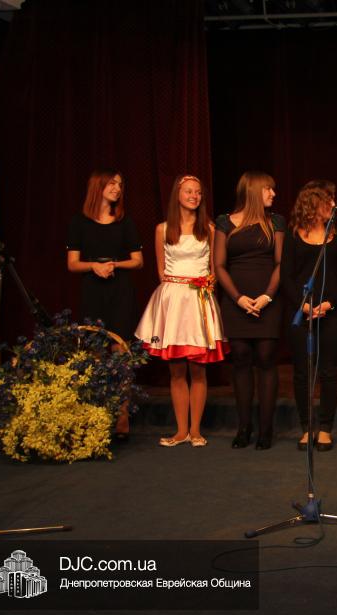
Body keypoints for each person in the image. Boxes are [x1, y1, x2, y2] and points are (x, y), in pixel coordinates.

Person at [135, 174, 226, 447]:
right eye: (189, 191)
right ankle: (180, 430)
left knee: (198, 369)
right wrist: (176, 292)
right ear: (178, 195)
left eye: (198, 192)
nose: (194, 196)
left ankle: (195, 430)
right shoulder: (162, 229)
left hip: (198, 301)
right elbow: (161, 270)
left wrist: (206, 284)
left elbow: (214, 270)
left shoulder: (209, 229)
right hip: (174, 302)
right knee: (176, 370)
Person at [67, 169, 143, 440]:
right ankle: (96, 416)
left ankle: (122, 418)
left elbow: (138, 261)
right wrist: (94, 267)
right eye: (112, 183)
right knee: (95, 353)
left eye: (120, 184)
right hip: (92, 292)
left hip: (120, 291)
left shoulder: (124, 222)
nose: (117, 188)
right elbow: (72, 264)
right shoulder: (79, 222)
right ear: (98, 186)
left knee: (120, 351)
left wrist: (114, 265)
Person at [215, 171, 286, 450]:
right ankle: (244, 427)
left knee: (266, 358)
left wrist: (267, 296)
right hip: (237, 301)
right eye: (268, 189)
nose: (273, 194)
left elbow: (280, 263)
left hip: (268, 299)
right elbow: (219, 265)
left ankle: (266, 430)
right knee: (241, 358)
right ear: (254, 191)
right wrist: (238, 298)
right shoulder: (224, 222)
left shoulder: (275, 221)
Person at [281, 180, 337, 451]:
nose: (332, 204)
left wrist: (328, 304)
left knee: (328, 371)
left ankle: (325, 429)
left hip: (331, 313)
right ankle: (306, 427)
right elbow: (286, 276)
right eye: (327, 200)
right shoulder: (293, 236)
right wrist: (304, 305)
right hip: (301, 313)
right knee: (303, 372)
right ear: (312, 203)